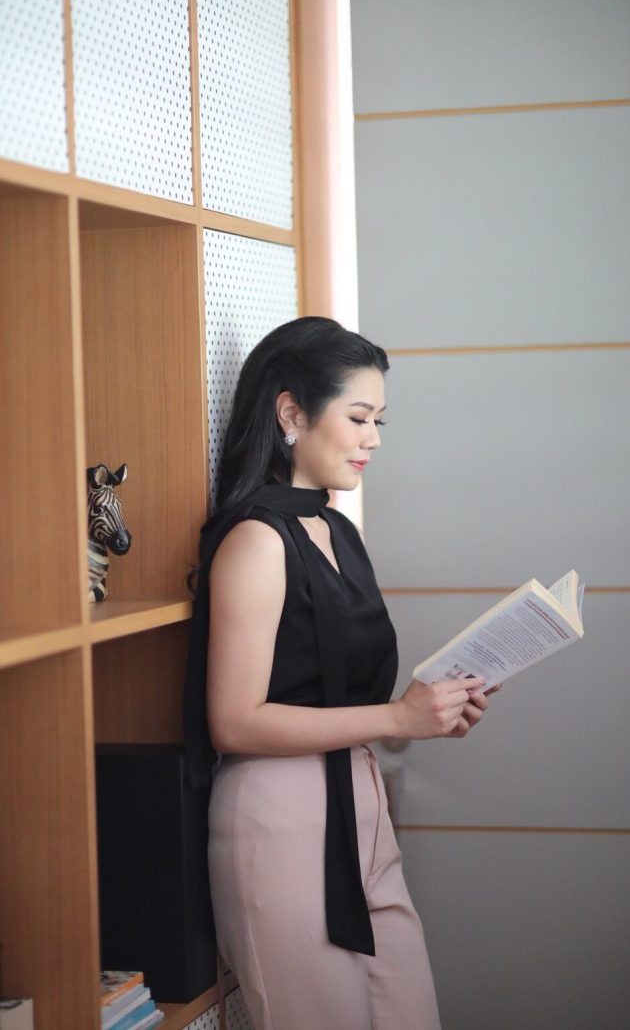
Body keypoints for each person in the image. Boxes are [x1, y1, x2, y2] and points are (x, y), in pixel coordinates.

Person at [183, 316, 495, 1030]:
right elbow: (233, 720)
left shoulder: (338, 530)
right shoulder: (256, 540)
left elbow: (345, 698)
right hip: (280, 821)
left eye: (379, 421)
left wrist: (430, 711)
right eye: (358, 417)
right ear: (292, 413)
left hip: (362, 810)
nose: (373, 438)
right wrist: (396, 717)